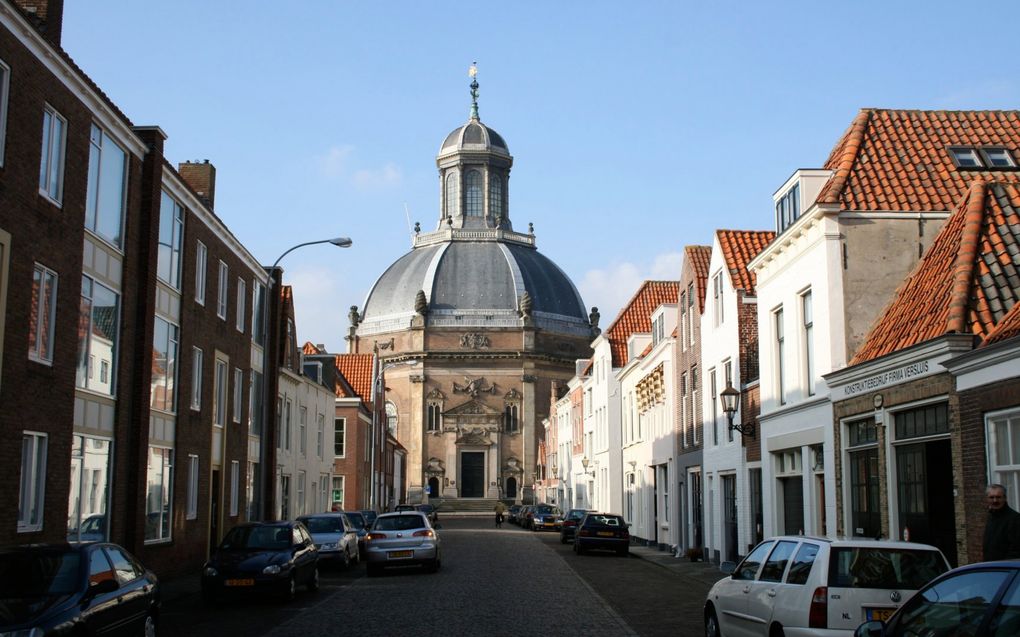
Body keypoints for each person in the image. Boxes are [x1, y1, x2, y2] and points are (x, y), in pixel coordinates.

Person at [983, 484, 1020, 561]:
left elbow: (1016, 550)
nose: (995, 500)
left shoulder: (1015, 519)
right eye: (991, 497)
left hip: (1004, 569)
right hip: (991, 567)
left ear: (1005, 498)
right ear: (987, 499)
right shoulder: (991, 517)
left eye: (998, 497)